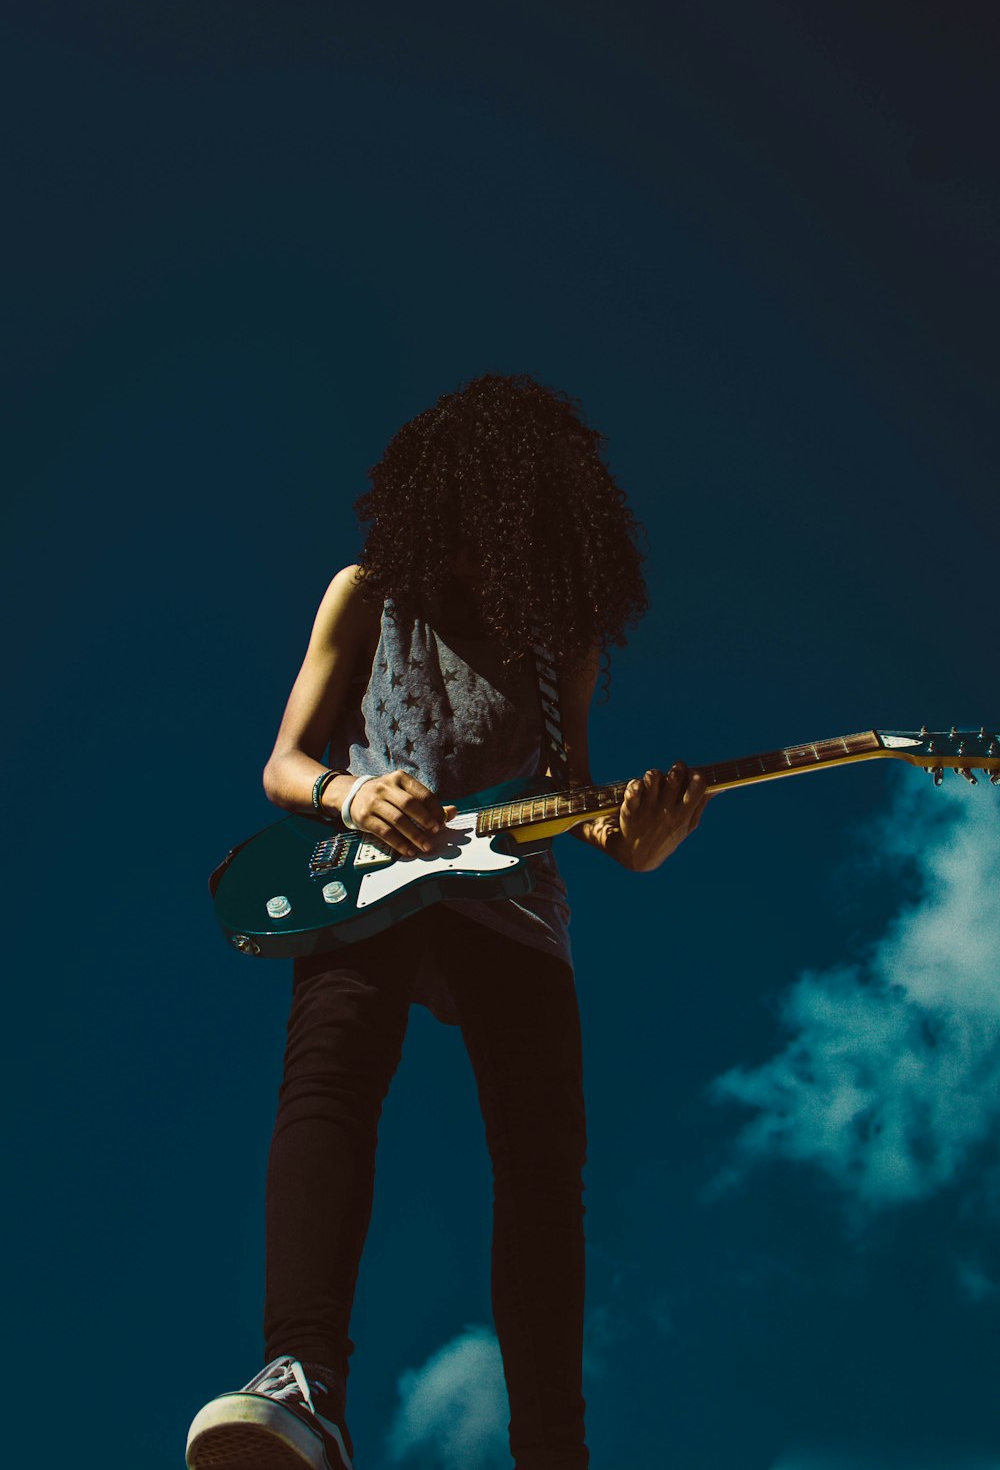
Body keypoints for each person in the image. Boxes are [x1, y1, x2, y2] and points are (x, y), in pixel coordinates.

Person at [185, 372, 709, 1470]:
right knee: (330, 1077)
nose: (482, 567)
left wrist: (643, 837)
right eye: (469, 537)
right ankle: (301, 1380)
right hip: (363, 877)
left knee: (540, 1161)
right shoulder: (367, 595)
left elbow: (583, 800)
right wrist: (351, 793)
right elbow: (284, 763)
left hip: (512, 900)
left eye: (505, 545)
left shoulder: (556, 638)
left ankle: (550, 1449)